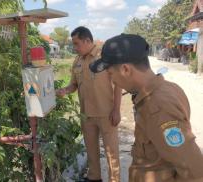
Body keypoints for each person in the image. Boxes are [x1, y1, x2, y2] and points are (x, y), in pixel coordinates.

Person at [89, 33, 203, 182]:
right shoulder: (166, 88)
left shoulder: (157, 107)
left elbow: (195, 170)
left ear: (125, 69)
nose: (113, 80)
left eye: (111, 74)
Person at [56, 26, 122, 182]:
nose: (74, 47)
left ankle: (114, 180)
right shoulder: (77, 61)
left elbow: (119, 83)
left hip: (107, 114)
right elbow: (74, 85)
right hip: (86, 115)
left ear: (87, 41)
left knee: (111, 153)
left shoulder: (105, 57)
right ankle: (94, 178)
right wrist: (65, 90)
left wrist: (117, 110)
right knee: (91, 151)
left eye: (76, 43)